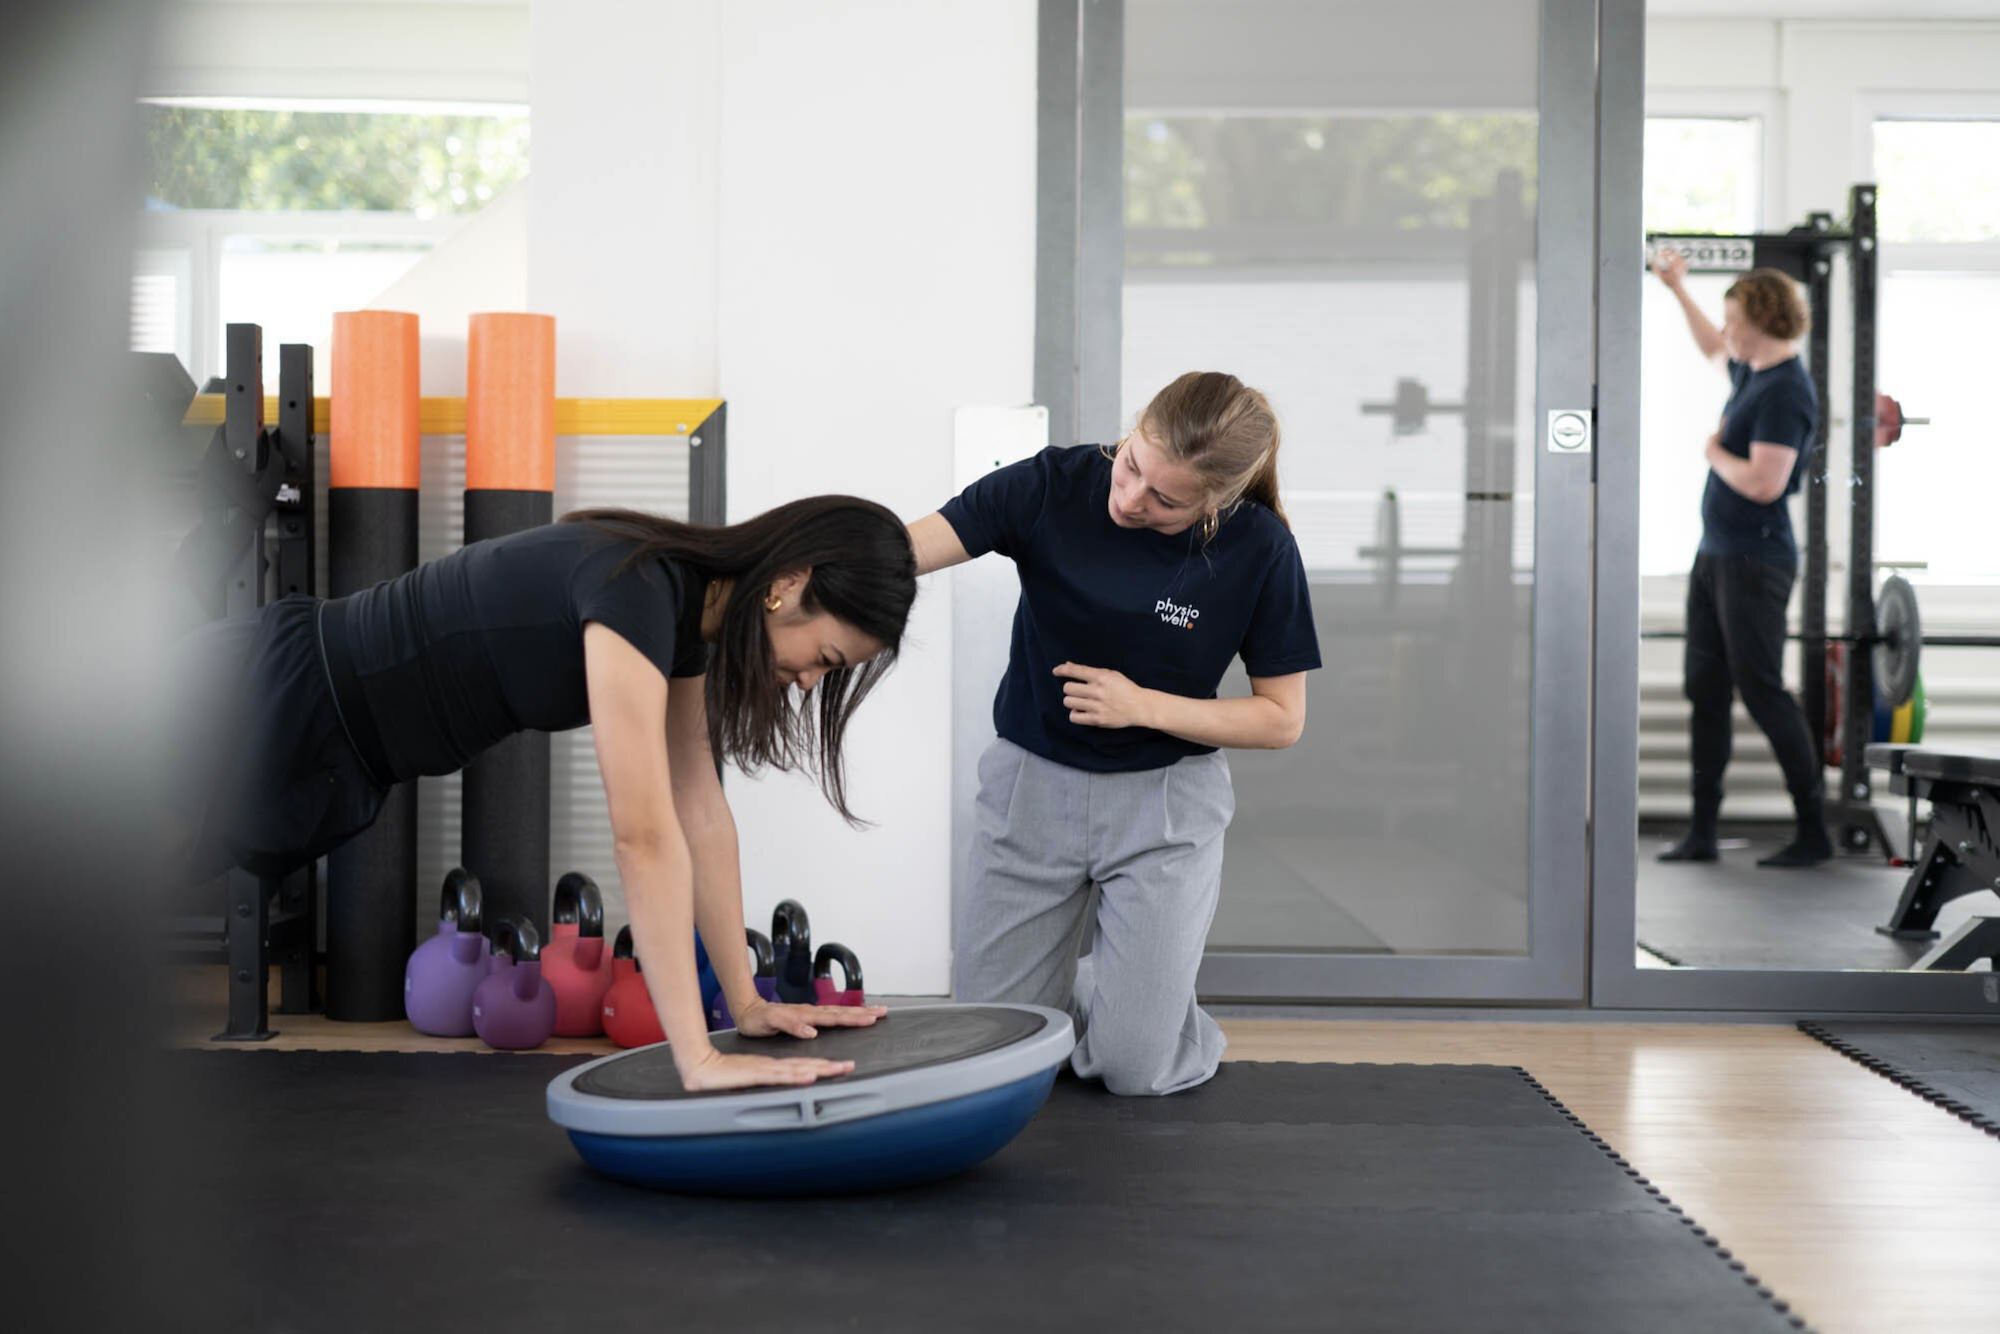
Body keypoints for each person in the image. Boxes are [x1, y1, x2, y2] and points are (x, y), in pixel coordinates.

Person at [166, 495, 916, 1090]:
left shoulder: (685, 616)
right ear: (788, 587)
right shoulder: (637, 590)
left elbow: (701, 813)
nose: (812, 681)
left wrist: (746, 1003)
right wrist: (698, 1057)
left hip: (336, 751)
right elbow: (644, 835)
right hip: (265, 696)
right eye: (823, 657)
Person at [908, 371, 1320, 1096]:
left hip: (1164, 806)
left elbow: (1281, 718)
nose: (1131, 499)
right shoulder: (1050, 486)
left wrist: (1145, 706)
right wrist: (786, 569)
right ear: (1131, 430)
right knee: (986, 1050)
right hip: (1033, 788)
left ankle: (1144, 997)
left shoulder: (1260, 550)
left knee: (1133, 1069)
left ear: (1217, 500)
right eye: (1131, 465)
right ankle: (1108, 980)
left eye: (1166, 499)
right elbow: (904, 549)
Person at [1652, 248, 1830, 867]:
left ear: (1761, 319)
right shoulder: (1754, 372)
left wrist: (1711, 453)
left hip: (1756, 562)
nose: (1726, 329)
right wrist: (1678, 289)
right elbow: (1710, 346)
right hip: (1717, 556)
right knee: (1705, 688)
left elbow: (1763, 484)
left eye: (1733, 318)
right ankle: (1702, 831)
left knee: (1761, 691)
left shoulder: (1786, 391)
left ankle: (1815, 832)